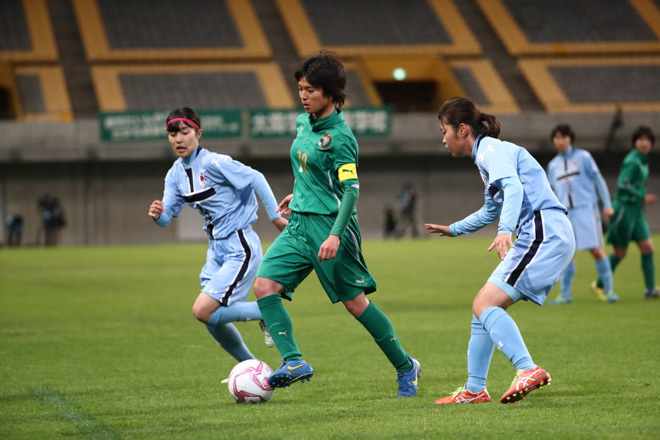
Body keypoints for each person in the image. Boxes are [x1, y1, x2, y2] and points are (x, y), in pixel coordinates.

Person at [252, 51, 421, 397]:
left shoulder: (341, 139)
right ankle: (294, 361)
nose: (303, 95)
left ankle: (407, 367)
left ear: (330, 93)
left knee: (355, 304)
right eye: (300, 88)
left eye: (311, 90)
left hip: (332, 228)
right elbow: (309, 169)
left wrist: (334, 234)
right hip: (299, 224)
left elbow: (350, 191)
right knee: (264, 286)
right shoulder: (303, 122)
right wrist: (297, 195)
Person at [426, 97, 575, 405]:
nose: (443, 139)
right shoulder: (488, 155)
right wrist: (454, 229)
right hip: (544, 231)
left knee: (485, 303)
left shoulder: (491, 151)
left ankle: (527, 369)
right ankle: (475, 389)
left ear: (462, 130)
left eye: (444, 130)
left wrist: (506, 231)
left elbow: (515, 189)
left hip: (542, 231)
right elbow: (490, 209)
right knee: (482, 305)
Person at [148, 107, 288, 368]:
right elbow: (167, 218)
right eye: (172, 133)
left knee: (202, 311)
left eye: (184, 132)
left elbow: (256, 177)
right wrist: (158, 215)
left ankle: (268, 309)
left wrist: (276, 217)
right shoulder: (175, 175)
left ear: (198, 133)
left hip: (239, 245)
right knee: (211, 319)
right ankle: (253, 369)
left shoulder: (214, 162)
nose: (178, 139)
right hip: (216, 251)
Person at [546, 124, 617, 304]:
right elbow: (550, 192)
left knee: (596, 249)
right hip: (565, 214)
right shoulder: (553, 165)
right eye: (557, 137)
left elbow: (598, 179)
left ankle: (609, 291)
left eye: (564, 137)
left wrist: (607, 203)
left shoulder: (583, 157)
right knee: (568, 253)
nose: (560, 141)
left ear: (570, 139)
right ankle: (565, 295)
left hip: (586, 209)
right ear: (553, 141)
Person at [594, 126, 658, 299]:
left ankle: (650, 289)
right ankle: (599, 284)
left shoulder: (642, 160)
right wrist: (643, 196)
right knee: (620, 252)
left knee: (647, 247)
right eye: (641, 139)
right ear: (634, 142)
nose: (644, 143)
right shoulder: (633, 161)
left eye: (648, 140)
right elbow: (623, 184)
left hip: (636, 211)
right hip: (624, 209)